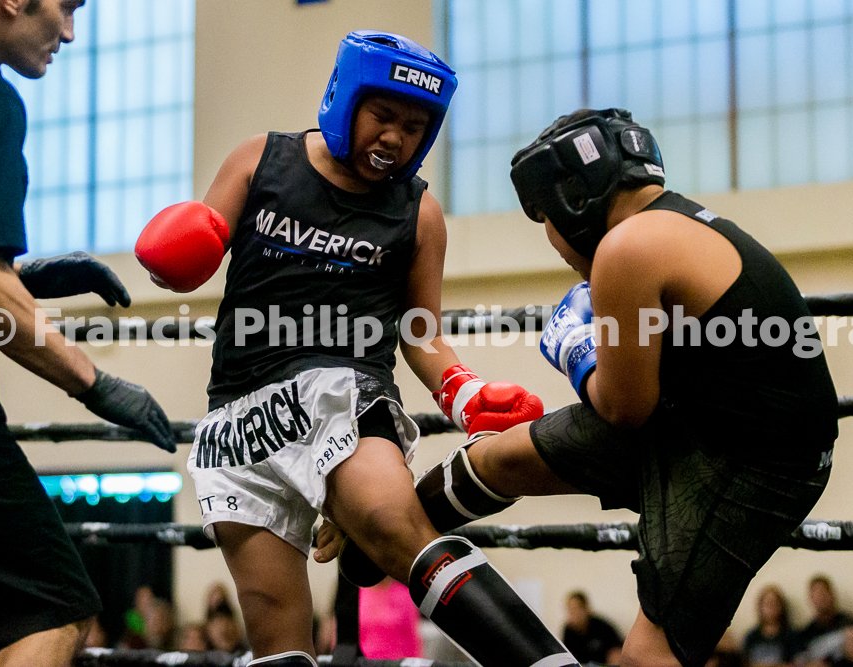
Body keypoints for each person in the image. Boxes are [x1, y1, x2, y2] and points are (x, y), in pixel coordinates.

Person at [318, 107, 840, 666]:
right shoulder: (677, 225)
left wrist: (577, 348)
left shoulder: (627, 249)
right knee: (498, 457)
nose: (556, 244)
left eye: (546, 220)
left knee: (646, 659)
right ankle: (377, 528)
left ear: (572, 199)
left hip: (749, 467)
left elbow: (623, 408)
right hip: (694, 421)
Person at [135, 30, 576, 667]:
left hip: (343, 392)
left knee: (396, 529)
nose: (395, 138)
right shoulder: (261, 160)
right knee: (277, 634)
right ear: (346, 101)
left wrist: (465, 392)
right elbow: (189, 256)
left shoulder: (418, 213)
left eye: (414, 127)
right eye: (384, 116)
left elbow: (420, 332)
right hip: (240, 413)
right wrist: (171, 261)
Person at [0, 1, 177, 664]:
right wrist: (95, 383)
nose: (68, 32)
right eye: (67, 6)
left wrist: (23, 274)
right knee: (53, 609)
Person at [795, 575, 852, 662]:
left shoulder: (850, 624)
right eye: (816, 594)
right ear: (811, 599)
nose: (821, 598)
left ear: (832, 595)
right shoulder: (805, 634)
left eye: (823, 592)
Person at [561, 590, 623, 665]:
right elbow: (565, 658)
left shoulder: (601, 626)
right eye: (570, 610)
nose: (573, 614)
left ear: (586, 608)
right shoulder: (568, 631)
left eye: (576, 608)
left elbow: (618, 650)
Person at [743, 585, 799, 667]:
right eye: (767, 604)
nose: (771, 608)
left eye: (774, 603)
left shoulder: (791, 635)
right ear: (760, 607)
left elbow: (796, 663)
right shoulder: (751, 637)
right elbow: (745, 663)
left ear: (781, 606)